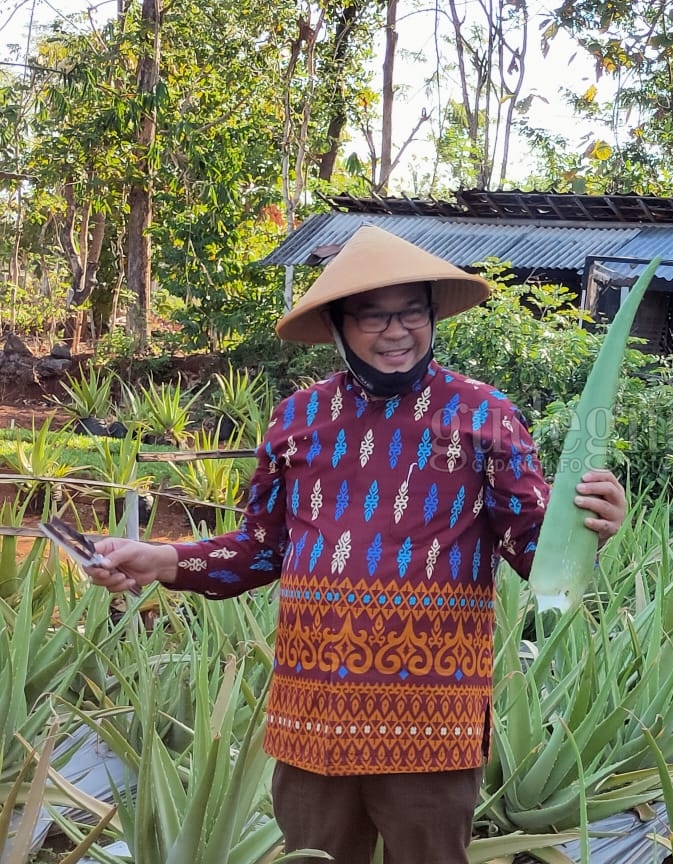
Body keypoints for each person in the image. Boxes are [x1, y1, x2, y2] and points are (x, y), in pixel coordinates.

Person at [86, 225, 627, 864]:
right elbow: (263, 547)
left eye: (411, 312)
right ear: (340, 326)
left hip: (430, 715)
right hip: (312, 710)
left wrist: (593, 526)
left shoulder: (484, 415)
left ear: (432, 313)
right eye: (373, 316)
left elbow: (534, 552)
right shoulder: (296, 419)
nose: (396, 332)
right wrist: (167, 559)